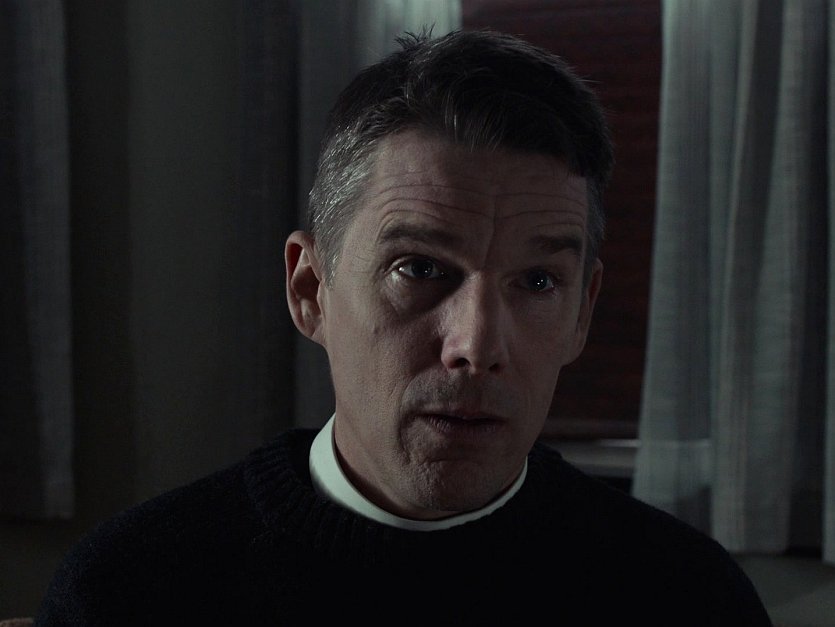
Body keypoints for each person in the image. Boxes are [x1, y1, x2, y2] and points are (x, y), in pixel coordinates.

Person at [35, 29, 773, 626]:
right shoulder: (132, 589)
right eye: (419, 268)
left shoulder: (686, 596)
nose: (476, 346)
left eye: (538, 282)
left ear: (582, 312)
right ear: (310, 290)